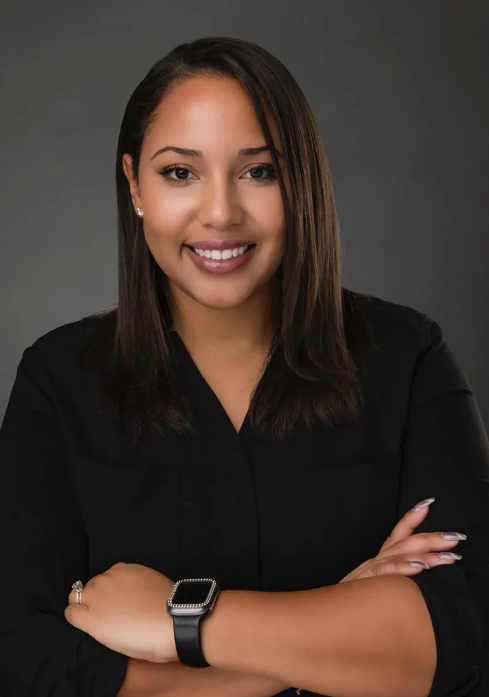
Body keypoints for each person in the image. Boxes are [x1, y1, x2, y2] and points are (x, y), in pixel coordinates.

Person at [0, 35, 488, 697]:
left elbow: (455, 639)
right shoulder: (58, 379)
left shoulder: (406, 357)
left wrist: (180, 621)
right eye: (179, 172)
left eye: (259, 171)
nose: (221, 212)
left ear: (301, 184)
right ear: (134, 183)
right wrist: (335, 620)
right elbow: (25, 661)